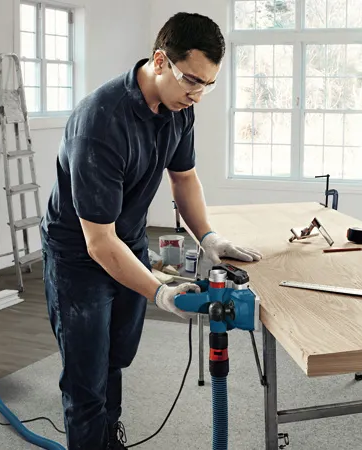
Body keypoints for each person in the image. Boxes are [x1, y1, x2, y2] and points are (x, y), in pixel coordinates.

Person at [39, 12, 263, 450]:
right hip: (79, 258)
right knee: (86, 377)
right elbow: (99, 242)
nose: (198, 94)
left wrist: (209, 237)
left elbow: (184, 178)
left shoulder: (180, 109)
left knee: (116, 358)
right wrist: (160, 293)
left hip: (128, 240)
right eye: (192, 80)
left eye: (208, 84)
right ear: (160, 61)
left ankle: (108, 438)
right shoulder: (100, 123)